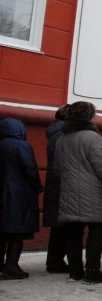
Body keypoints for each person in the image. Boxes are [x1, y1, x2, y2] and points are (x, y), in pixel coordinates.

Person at [55, 102, 102, 284]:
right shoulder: (92, 137)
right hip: (92, 192)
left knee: (73, 232)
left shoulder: (61, 138)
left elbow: (57, 169)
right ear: (89, 116)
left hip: (68, 191)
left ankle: (75, 271)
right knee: (96, 231)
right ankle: (92, 271)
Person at [0, 118, 43, 279]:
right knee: (16, 232)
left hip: (4, 193)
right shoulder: (21, 145)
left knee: (2, 232)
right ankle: (11, 264)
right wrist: (37, 186)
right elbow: (30, 168)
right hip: (17, 195)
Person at [43, 104, 70, 273]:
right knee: (63, 225)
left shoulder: (55, 133)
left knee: (58, 226)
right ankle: (56, 260)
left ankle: (54, 259)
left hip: (55, 184)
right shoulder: (63, 135)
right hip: (63, 185)